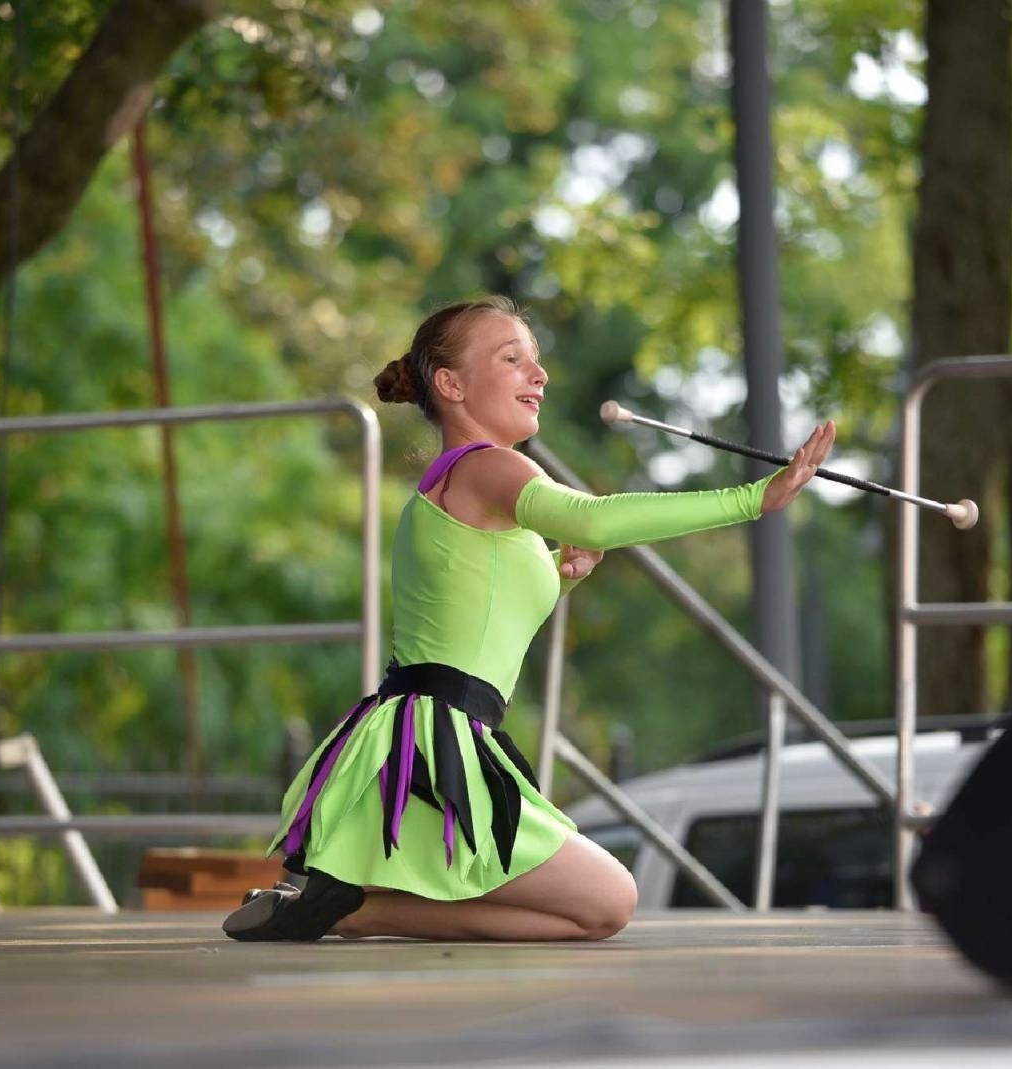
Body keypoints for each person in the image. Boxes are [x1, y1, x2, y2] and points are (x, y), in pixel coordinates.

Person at [223, 296, 834, 942]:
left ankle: (348, 906)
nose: (538, 375)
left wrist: (560, 574)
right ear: (450, 384)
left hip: (417, 731)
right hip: (437, 739)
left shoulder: (460, 487)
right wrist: (752, 498)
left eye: (536, 362)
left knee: (598, 909)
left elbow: (477, 613)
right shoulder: (488, 465)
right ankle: (357, 909)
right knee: (608, 900)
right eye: (513, 359)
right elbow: (592, 518)